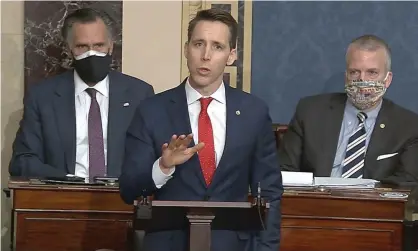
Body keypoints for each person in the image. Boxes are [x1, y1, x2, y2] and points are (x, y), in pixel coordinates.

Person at [119, 8, 283, 251]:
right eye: (198, 44)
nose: (205, 55)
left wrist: (266, 249)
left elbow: (269, 191)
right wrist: (163, 167)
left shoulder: (253, 112)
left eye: (217, 46)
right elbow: (128, 188)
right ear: (186, 49)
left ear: (231, 55)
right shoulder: (152, 110)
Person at [9, 8, 154, 178]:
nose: (91, 53)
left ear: (110, 46)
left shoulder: (139, 94)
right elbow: (22, 161)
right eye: (82, 47)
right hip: (62, 197)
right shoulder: (42, 97)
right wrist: (67, 181)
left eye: (99, 45)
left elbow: (150, 158)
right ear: (69, 49)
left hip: (120, 198)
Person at [279, 34, 418, 183]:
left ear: (388, 79)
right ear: (346, 77)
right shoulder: (309, 112)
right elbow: (285, 170)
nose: (362, 80)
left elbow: (407, 182)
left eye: (372, 73)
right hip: (316, 201)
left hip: (373, 204)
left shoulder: (409, 126)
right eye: (354, 72)